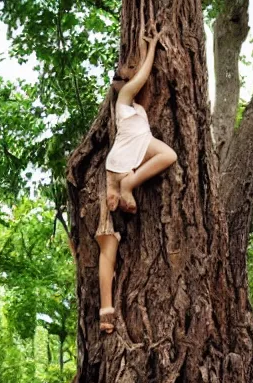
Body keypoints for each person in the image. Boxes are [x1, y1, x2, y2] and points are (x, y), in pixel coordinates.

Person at [98, 23, 177, 334]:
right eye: (118, 80)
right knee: (106, 239)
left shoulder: (136, 109)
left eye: (123, 78)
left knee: (167, 155)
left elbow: (141, 78)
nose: (124, 82)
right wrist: (153, 47)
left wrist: (147, 45)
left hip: (130, 154)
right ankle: (106, 309)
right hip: (127, 157)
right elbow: (141, 77)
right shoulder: (123, 102)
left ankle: (106, 309)